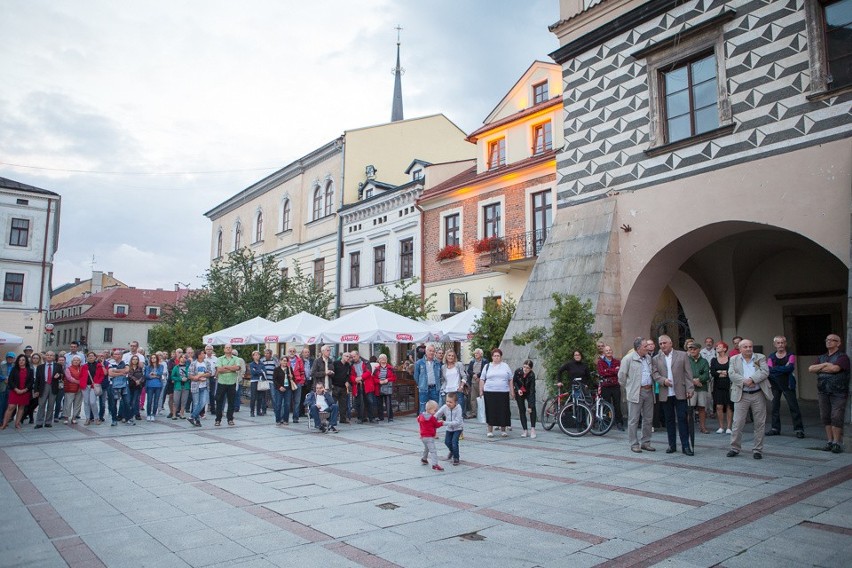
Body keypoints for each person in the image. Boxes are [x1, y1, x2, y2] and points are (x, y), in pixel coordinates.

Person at [727, 338, 772, 459]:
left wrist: (752, 379)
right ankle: (734, 448)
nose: (748, 349)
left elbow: (765, 371)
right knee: (737, 423)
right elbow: (731, 374)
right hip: (742, 394)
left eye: (750, 347)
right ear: (740, 349)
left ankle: (757, 450)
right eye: (745, 347)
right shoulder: (734, 359)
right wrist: (745, 382)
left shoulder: (760, 357)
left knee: (759, 423)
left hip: (758, 394)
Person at [652, 335, 695, 455]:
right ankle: (672, 445)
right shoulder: (656, 358)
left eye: (665, 343)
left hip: (680, 392)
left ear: (671, 343)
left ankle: (686, 446)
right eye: (660, 344)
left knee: (682, 419)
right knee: (669, 421)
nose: (663, 345)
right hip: (666, 394)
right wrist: (663, 381)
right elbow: (654, 374)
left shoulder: (682, 355)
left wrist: (690, 388)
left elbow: (688, 373)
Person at [808, 333, 850, 454]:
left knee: (836, 416)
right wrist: (826, 365)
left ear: (838, 343)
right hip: (823, 391)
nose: (829, 342)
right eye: (827, 340)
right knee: (825, 416)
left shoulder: (842, 357)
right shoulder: (822, 357)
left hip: (838, 391)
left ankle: (837, 442)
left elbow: (835, 369)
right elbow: (811, 369)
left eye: (832, 340)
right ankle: (830, 441)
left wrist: (820, 368)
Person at [619, 337, 655, 453]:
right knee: (633, 419)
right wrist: (630, 388)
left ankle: (646, 442)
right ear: (639, 348)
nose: (648, 348)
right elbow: (621, 377)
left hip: (649, 391)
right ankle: (634, 443)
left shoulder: (648, 358)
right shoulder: (628, 359)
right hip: (636, 392)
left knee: (648, 418)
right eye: (645, 346)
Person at [766, 335, 804, 439]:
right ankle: (775, 428)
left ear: (785, 344)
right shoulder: (771, 356)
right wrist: (783, 368)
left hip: (788, 384)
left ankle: (799, 429)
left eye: (782, 342)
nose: (780, 345)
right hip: (775, 384)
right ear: (775, 345)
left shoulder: (790, 355)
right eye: (778, 343)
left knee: (794, 407)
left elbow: (790, 368)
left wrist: (776, 368)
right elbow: (769, 369)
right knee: (775, 407)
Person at [481, 348, 513, 438]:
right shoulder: (487, 366)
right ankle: (490, 430)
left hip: (503, 392)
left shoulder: (505, 366)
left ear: (501, 357)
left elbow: (510, 379)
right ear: (492, 357)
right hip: (489, 391)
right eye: (494, 356)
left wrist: (512, 391)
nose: (496, 357)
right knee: (490, 410)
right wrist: (481, 390)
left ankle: (503, 430)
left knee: (503, 410)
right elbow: (482, 379)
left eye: (498, 356)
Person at [1, 354, 33, 430]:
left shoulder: (30, 370)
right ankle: (4, 424)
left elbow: (31, 381)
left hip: (25, 392)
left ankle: (17, 423)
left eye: (23, 360)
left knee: (21, 408)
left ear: (26, 361)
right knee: (10, 407)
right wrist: (16, 389)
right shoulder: (14, 369)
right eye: (19, 360)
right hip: (15, 391)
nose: (21, 361)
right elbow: (10, 381)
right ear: (17, 361)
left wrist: (25, 390)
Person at [686, 342, 711, 434]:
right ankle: (688, 427)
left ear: (699, 350)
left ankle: (703, 427)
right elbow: (684, 373)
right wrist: (693, 381)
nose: (692, 351)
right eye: (690, 349)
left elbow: (706, 374)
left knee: (702, 407)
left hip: (702, 387)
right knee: (689, 408)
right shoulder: (687, 360)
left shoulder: (704, 361)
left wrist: (699, 380)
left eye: (694, 349)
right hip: (690, 388)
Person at [596, 346, 623, 431]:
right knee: (606, 405)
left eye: (610, 350)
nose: (608, 352)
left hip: (615, 385)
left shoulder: (617, 361)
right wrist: (613, 370)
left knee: (617, 405)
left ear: (612, 351)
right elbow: (601, 373)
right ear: (604, 352)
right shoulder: (600, 362)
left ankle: (619, 423)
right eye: (606, 351)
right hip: (605, 386)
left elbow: (618, 372)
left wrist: (607, 371)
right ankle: (606, 423)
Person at [34, 351, 62, 428]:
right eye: (47, 355)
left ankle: (48, 422)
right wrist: (36, 390)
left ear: (54, 357)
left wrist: (59, 375)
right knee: (41, 404)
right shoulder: (40, 367)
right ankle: (39, 422)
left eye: (51, 355)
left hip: (53, 386)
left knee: (51, 405)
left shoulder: (58, 366)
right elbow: (37, 380)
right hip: (43, 386)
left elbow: (61, 375)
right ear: (45, 357)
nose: (49, 356)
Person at [215, 344, 241, 426]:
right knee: (219, 401)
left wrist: (225, 367)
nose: (228, 349)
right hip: (222, 382)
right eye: (227, 347)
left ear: (232, 349)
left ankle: (230, 419)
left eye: (229, 347)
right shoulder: (220, 359)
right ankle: (218, 419)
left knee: (231, 402)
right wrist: (231, 369)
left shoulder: (236, 358)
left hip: (231, 383)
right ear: (224, 349)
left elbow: (237, 368)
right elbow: (219, 369)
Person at [710, 342, 733, 434]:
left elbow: (731, 372)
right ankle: (721, 427)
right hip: (718, 385)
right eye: (716, 347)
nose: (717, 348)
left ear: (725, 348)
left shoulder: (730, 359)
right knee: (719, 406)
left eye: (719, 346)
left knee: (729, 406)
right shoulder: (714, 360)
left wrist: (721, 372)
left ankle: (729, 427)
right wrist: (721, 372)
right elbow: (712, 372)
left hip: (728, 385)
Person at [435, 392, 463, 465]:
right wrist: (431, 419)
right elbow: (437, 414)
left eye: (450, 402)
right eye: (447, 401)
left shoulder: (458, 408)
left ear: (455, 402)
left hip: (458, 428)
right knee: (447, 442)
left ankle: (456, 458)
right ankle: (452, 451)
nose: (448, 403)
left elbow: (457, 422)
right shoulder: (445, 407)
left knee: (454, 442)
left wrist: (444, 423)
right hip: (449, 428)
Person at [512, 359, 537, 438]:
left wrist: (530, 405)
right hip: (520, 392)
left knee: (532, 409)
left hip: (529, 392)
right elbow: (514, 381)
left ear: (531, 369)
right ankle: (525, 430)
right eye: (524, 367)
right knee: (521, 410)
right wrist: (518, 389)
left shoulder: (532, 375)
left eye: (527, 368)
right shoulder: (518, 371)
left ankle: (533, 429)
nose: (525, 369)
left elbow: (532, 390)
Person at [350, 350, 376, 423]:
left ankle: (371, 418)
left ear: (358, 355)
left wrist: (361, 377)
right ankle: (361, 418)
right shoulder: (351, 364)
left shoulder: (366, 362)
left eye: (354, 356)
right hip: (357, 385)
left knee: (369, 401)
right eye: (352, 357)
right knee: (358, 402)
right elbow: (350, 375)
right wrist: (355, 379)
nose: (353, 358)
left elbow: (369, 372)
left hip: (367, 384)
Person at [414, 345, 441, 414]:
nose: (431, 353)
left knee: (435, 407)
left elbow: (440, 375)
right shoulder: (419, 363)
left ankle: (434, 423)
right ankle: (424, 423)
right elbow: (416, 376)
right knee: (423, 408)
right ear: (426, 352)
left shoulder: (438, 363)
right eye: (430, 351)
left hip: (435, 388)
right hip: (424, 389)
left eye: (433, 351)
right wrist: (420, 384)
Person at [417, 400, 444, 471]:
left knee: (426, 448)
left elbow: (418, 419)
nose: (435, 412)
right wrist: (442, 423)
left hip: (423, 437)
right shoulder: (432, 418)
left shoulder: (421, 416)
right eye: (435, 410)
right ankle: (435, 464)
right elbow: (436, 425)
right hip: (429, 437)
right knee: (433, 451)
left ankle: (424, 459)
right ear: (429, 410)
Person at [188, 352, 212, 427]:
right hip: (196, 386)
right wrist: (197, 378)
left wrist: (201, 375)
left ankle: (192, 416)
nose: (204, 354)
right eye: (202, 353)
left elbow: (210, 373)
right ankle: (197, 420)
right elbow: (190, 375)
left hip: (205, 386)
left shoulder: (206, 363)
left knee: (203, 402)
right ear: (198, 355)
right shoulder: (193, 364)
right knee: (196, 403)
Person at [106, 350, 130, 426]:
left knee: (126, 402)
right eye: (114, 354)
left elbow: (127, 370)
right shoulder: (110, 363)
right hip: (113, 385)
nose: (115, 355)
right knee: (113, 403)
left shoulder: (125, 362)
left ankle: (128, 418)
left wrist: (115, 371)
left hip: (124, 385)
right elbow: (110, 373)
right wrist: (121, 373)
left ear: (121, 355)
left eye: (117, 354)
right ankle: (114, 419)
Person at [372, 354, 396, 422]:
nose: (383, 359)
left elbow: (394, 377)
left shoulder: (391, 368)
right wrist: (379, 381)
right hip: (378, 387)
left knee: (388, 403)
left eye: (384, 358)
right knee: (379, 403)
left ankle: (390, 417)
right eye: (381, 358)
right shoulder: (376, 369)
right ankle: (380, 417)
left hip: (388, 387)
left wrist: (387, 380)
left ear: (387, 359)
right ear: (379, 360)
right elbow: (373, 378)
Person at [62, 355, 86, 425]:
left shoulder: (82, 368)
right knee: (68, 403)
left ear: (80, 362)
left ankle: (74, 417)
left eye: (77, 360)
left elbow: (84, 376)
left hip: (80, 388)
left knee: (77, 403)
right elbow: (69, 378)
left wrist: (81, 382)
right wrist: (78, 381)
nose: (76, 361)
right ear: (72, 361)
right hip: (70, 388)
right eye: (74, 360)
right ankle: (66, 417)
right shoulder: (68, 368)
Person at [82, 352, 104, 425]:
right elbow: (81, 375)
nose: (90, 357)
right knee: (86, 402)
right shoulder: (84, 366)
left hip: (93, 386)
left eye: (92, 356)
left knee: (93, 402)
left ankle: (96, 418)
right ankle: (87, 418)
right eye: (89, 356)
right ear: (87, 358)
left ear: (95, 357)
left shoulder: (98, 365)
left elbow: (101, 375)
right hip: (85, 386)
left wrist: (97, 383)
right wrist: (82, 383)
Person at [272, 356, 295, 425]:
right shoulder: (277, 369)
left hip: (288, 389)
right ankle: (278, 420)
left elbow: (293, 379)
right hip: (279, 389)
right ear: (280, 361)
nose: (285, 362)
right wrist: (279, 387)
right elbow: (274, 380)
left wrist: (292, 377)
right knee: (278, 404)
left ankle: (285, 420)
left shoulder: (289, 369)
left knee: (287, 404)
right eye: (284, 360)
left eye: (286, 361)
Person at [331, 351, 352, 424]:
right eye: (346, 356)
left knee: (343, 404)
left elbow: (348, 375)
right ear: (342, 356)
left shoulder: (348, 365)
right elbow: (332, 374)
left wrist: (347, 381)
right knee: (333, 403)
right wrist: (332, 384)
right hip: (335, 386)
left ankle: (343, 419)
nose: (348, 358)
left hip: (343, 387)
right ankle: (331, 418)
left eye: (349, 357)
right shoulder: (336, 363)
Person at [286, 347, 306, 422]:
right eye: (290, 351)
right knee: (288, 401)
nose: (292, 352)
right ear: (288, 352)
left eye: (293, 351)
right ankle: (286, 417)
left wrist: (302, 381)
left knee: (297, 401)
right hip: (288, 383)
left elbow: (302, 371)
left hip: (298, 382)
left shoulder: (299, 360)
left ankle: (295, 417)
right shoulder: (286, 360)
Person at [465, 348, 486, 419]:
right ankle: (474, 413)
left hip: (482, 382)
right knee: (473, 398)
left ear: (481, 354)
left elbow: (485, 370)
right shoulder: (472, 361)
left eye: (477, 353)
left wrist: (478, 375)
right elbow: (469, 370)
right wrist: (474, 374)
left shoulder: (485, 361)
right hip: (473, 382)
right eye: (475, 353)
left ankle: (484, 412)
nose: (475, 354)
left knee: (483, 397)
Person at [22, 352, 42, 425]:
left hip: (38, 387)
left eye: (37, 358)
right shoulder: (28, 366)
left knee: (35, 403)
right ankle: (31, 418)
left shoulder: (41, 366)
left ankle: (23, 416)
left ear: (39, 359)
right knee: (29, 403)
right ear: (31, 359)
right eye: (34, 358)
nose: (35, 359)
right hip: (29, 387)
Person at [143, 354, 164, 421]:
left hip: (158, 385)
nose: (153, 359)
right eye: (152, 358)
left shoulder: (161, 366)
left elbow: (160, 373)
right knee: (149, 400)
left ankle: (153, 414)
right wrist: (155, 376)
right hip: (150, 385)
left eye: (154, 358)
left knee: (156, 401)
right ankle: (148, 414)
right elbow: (146, 375)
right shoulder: (148, 367)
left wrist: (153, 374)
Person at [170, 354, 190, 420]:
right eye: (182, 357)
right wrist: (180, 379)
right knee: (176, 401)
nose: (183, 358)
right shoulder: (176, 367)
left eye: (185, 357)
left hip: (186, 385)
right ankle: (174, 414)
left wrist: (187, 378)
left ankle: (182, 414)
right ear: (179, 358)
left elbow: (190, 375)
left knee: (184, 401)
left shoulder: (188, 367)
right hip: (178, 386)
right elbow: (172, 376)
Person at [126, 355, 145, 424]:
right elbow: (129, 375)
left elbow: (143, 376)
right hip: (130, 386)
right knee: (128, 401)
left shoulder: (140, 368)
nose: (135, 360)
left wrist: (139, 381)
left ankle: (132, 416)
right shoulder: (128, 368)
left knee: (135, 401)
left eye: (136, 359)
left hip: (137, 387)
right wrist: (135, 380)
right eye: (133, 359)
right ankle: (128, 415)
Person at [260, 348, 278, 417]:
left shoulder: (274, 360)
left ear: (270, 354)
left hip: (272, 381)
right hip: (265, 381)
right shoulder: (262, 360)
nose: (266, 354)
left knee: (273, 396)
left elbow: (277, 368)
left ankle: (276, 411)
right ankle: (264, 410)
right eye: (265, 353)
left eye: (267, 353)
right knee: (264, 396)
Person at [249, 350, 266, 418]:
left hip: (261, 381)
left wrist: (257, 371)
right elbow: (253, 373)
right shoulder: (251, 364)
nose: (257, 356)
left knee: (260, 397)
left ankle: (259, 411)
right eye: (255, 355)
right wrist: (260, 371)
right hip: (254, 381)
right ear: (253, 356)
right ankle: (252, 411)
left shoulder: (262, 363)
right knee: (253, 397)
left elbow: (264, 371)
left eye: (258, 355)